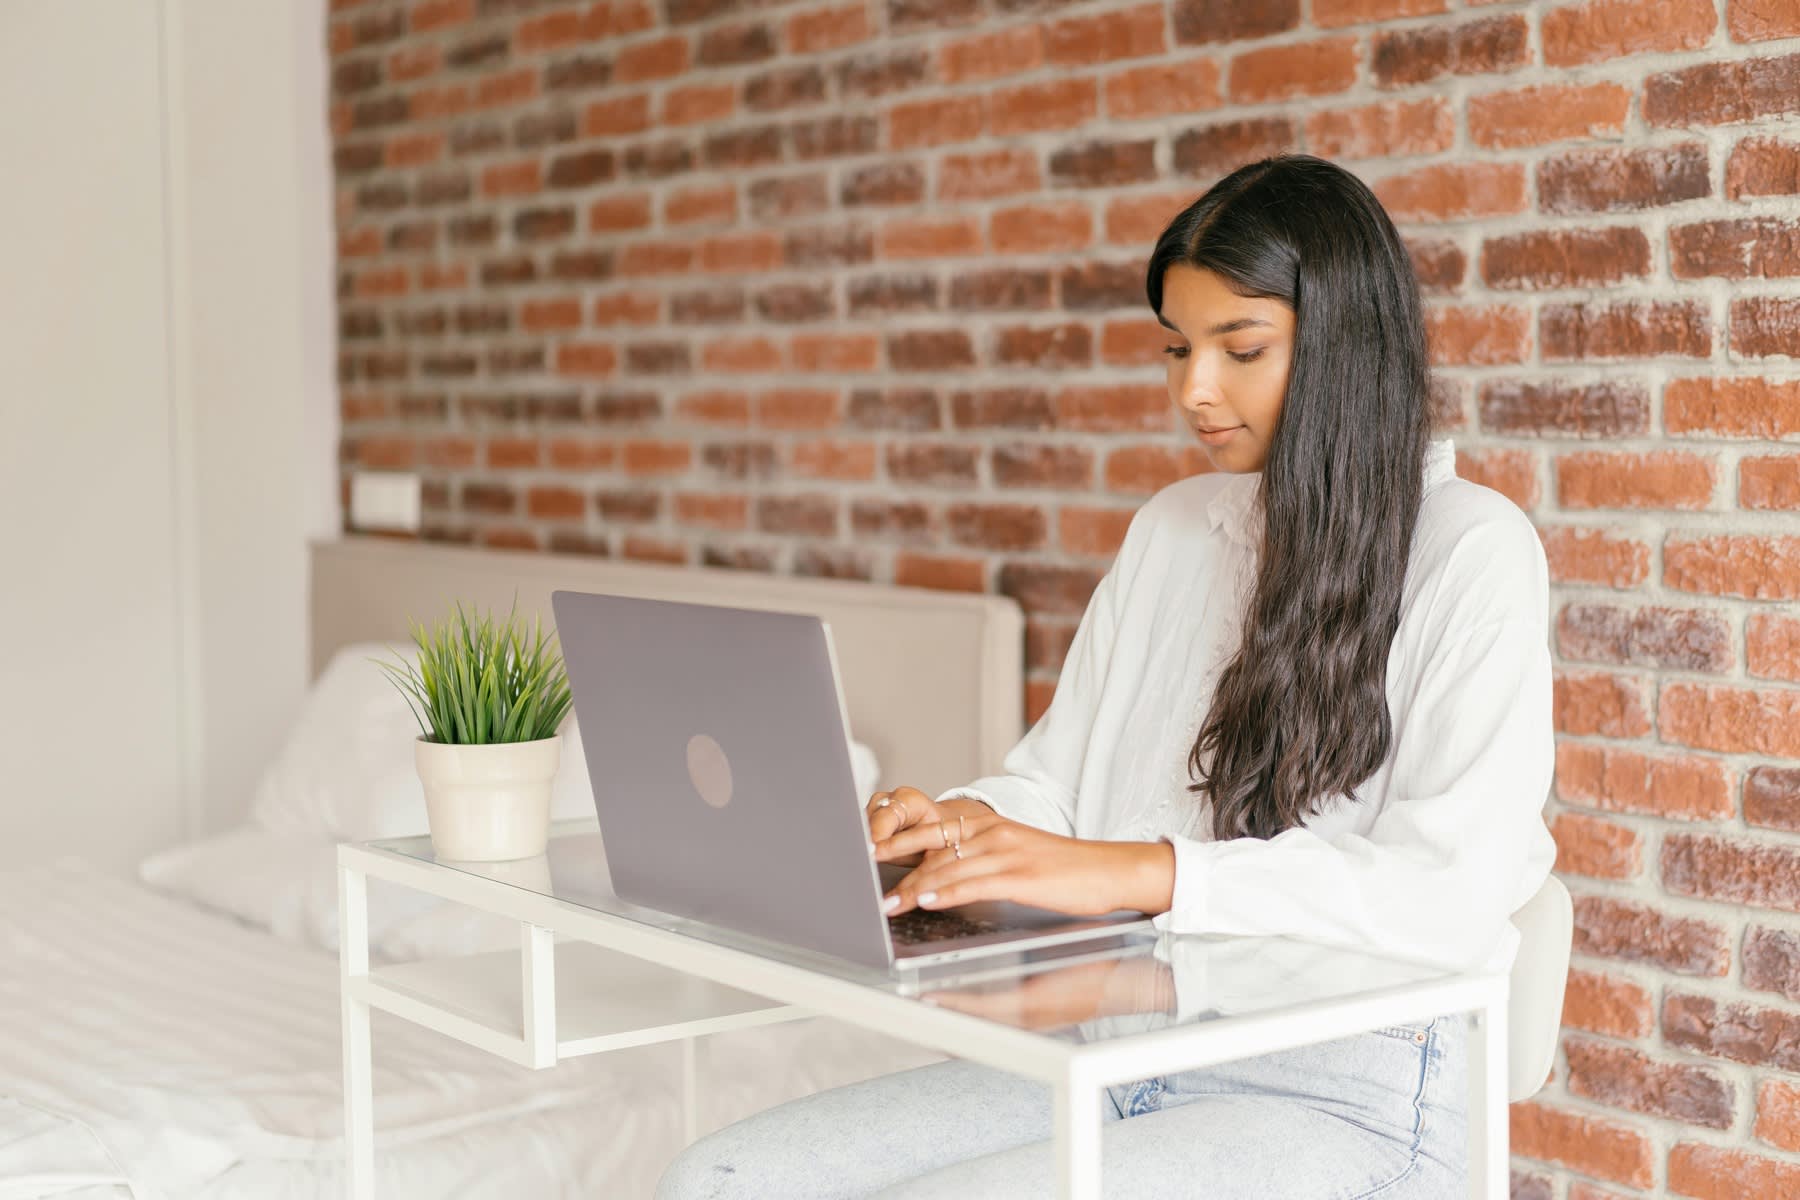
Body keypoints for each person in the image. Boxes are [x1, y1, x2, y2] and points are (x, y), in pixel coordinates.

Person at [656, 153, 1556, 1198]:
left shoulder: (1474, 552)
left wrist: (1142, 871)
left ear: (1349, 348)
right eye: (1176, 349)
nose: (1193, 390)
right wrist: (954, 828)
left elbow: (1444, 891)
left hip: (1348, 1092)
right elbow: (1055, 785)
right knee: (717, 1176)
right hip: (1124, 1046)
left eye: (1241, 347)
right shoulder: (1173, 532)